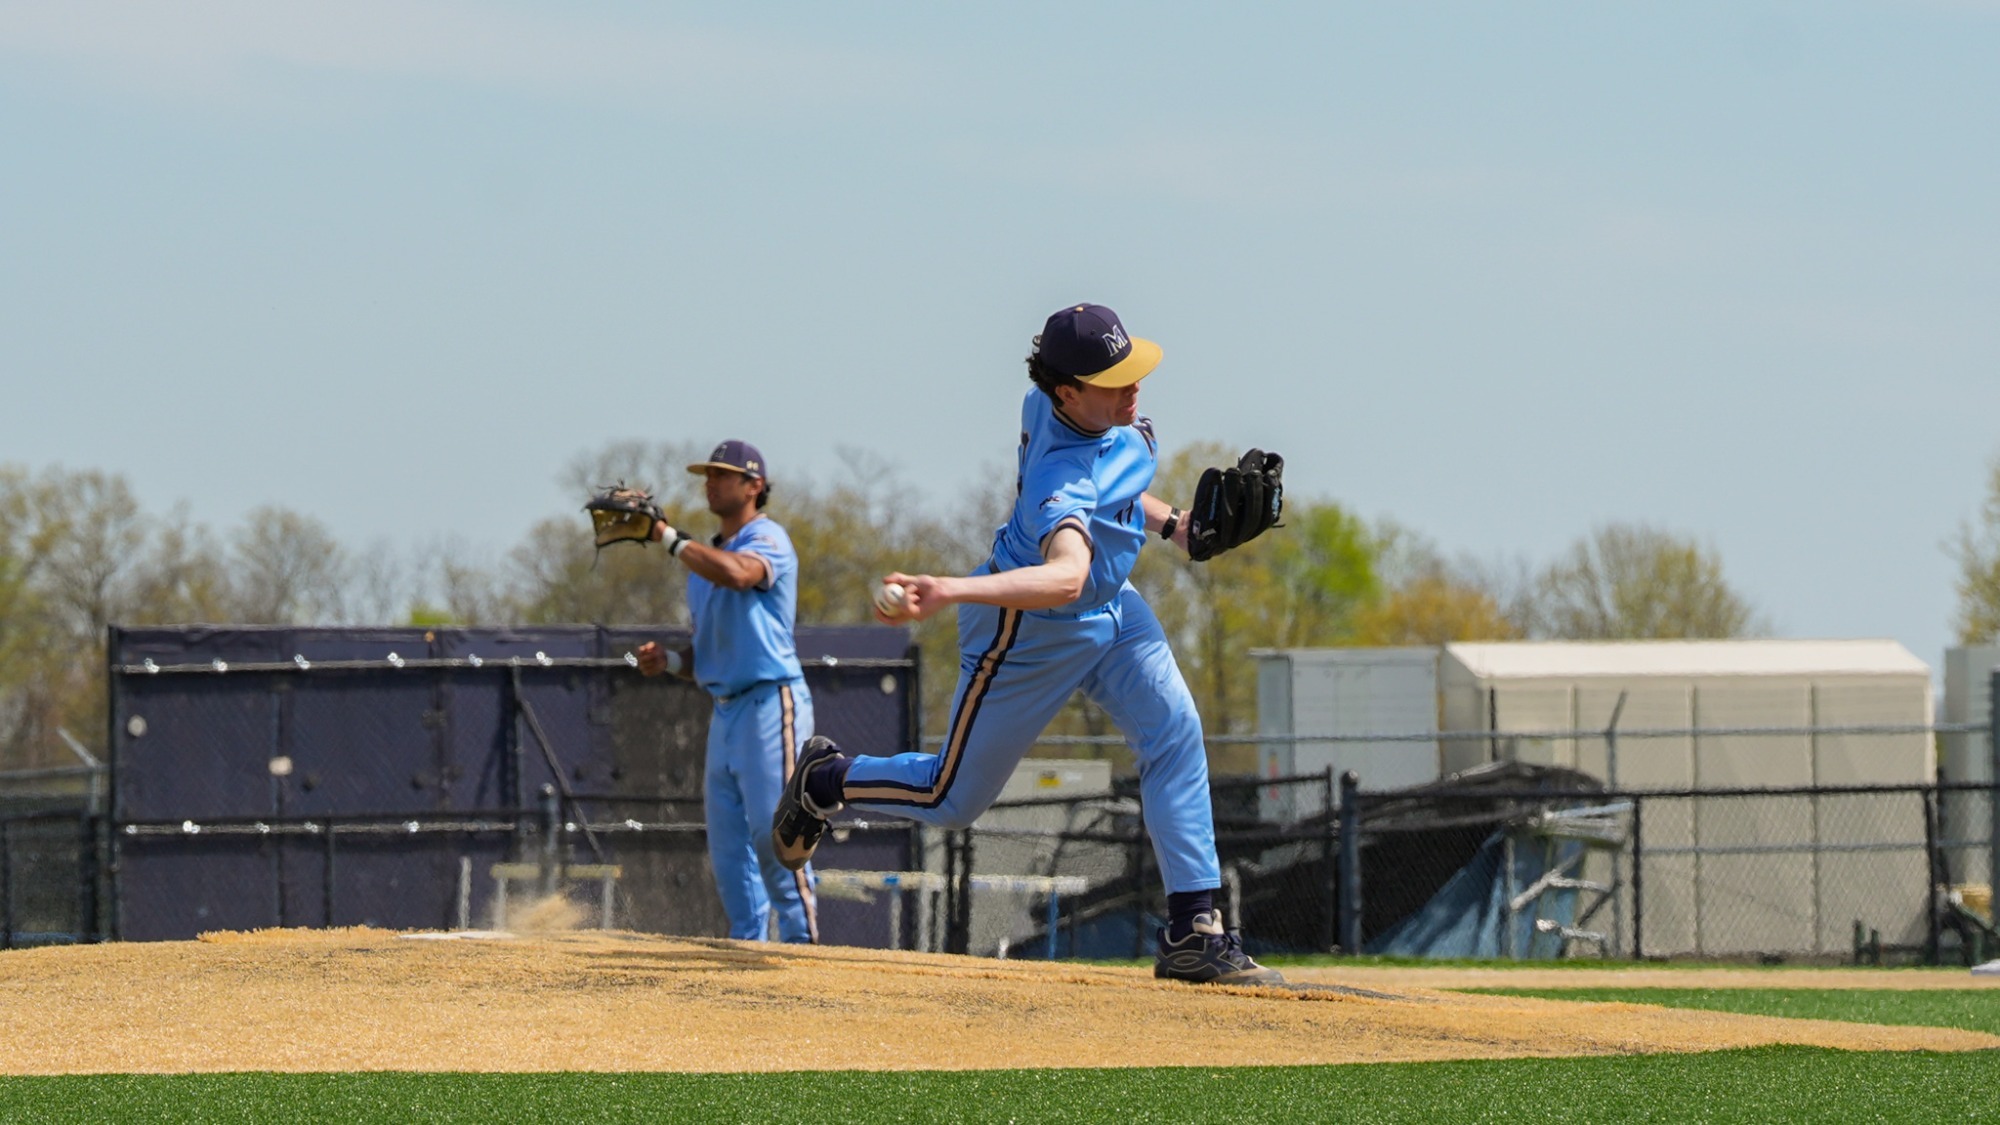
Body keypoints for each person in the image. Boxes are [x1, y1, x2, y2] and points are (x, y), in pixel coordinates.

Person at [772, 304, 1284, 983]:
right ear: (1066, 391)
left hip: (1113, 612)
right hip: (1029, 626)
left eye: (1132, 370)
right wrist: (951, 590)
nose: (1133, 387)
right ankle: (826, 778)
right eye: (1113, 379)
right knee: (952, 797)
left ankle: (1194, 926)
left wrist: (1177, 527)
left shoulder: (1068, 408)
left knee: (1176, 732)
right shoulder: (1057, 478)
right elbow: (1067, 573)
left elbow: (1119, 486)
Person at [637, 440, 819, 944]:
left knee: (774, 833)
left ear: (754, 485)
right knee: (729, 848)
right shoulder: (704, 563)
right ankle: (745, 952)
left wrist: (669, 538)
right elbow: (709, 655)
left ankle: (803, 947)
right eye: (707, 475)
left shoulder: (768, 537)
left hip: (770, 701)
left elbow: (741, 575)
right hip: (725, 710)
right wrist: (668, 661)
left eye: (723, 474)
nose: (710, 482)